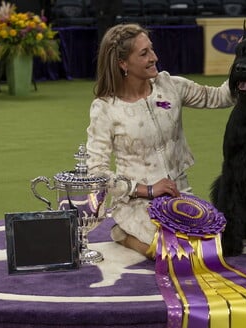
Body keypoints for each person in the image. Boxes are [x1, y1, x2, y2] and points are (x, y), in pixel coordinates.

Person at [85, 23, 234, 256]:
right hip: (137, 200)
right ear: (123, 63)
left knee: (213, 246)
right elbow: (96, 173)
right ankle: (123, 233)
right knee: (170, 251)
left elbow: (220, 97)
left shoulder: (170, 85)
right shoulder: (104, 108)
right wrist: (147, 190)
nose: (154, 57)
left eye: (151, 49)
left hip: (180, 194)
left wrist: (245, 62)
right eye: (144, 53)